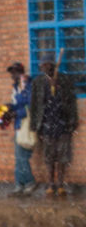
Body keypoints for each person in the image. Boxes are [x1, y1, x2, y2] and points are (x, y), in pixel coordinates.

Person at [30, 54, 79, 199]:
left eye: (48, 65)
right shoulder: (38, 82)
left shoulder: (64, 80)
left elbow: (71, 102)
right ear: (40, 67)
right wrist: (36, 127)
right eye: (43, 65)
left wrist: (72, 122)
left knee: (63, 157)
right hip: (46, 126)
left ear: (53, 65)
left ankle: (60, 184)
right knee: (49, 157)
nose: (46, 67)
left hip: (63, 125)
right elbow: (34, 105)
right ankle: (51, 185)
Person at [6, 62, 36, 197]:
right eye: (12, 73)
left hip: (27, 125)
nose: (13, 75)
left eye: (15, 72)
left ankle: (29, 183)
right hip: (19, 125)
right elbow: (17, 104)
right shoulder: (16, 88)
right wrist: (8, 109)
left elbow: (30, 106)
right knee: (19, 157)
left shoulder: (28, 86)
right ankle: (19, 185)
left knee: (22, 156)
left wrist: (16, 112)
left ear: (21, 73)